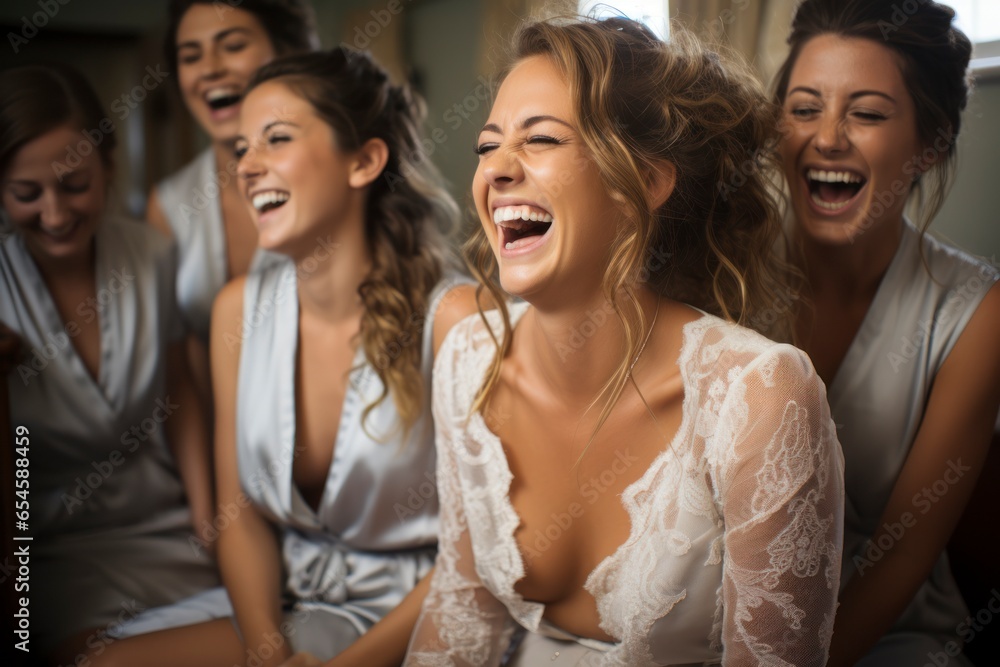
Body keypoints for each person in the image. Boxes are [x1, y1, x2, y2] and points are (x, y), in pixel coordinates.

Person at [404, 16, 844, 666]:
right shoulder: (468, 360)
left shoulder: (761, 396)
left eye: (541, 139)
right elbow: (461, 616)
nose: (495, 170)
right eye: (486, 145)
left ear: (644, 181)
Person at [89, 47, 479, 667]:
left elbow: (479, 551)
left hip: (421, 616)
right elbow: (236, 513)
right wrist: (267, 649)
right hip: (280, 607)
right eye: (242, 148)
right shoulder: (237, 312)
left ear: (365, 160)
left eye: (275, 139)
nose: (247, 166)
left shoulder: (456, 319)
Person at [772, 0, 1000, 664]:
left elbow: (900, 559)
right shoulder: (720, 274)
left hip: (887, 636)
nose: (829, 138)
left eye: (866, 113)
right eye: (804, 108)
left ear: (930, 143)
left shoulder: (977, 313)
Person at [0, 63, 217, 664]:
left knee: (261, 630)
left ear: (109, 166)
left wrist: (208, 519)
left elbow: (181, 394)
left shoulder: (150, 253)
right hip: (45, 550)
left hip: (163, 529)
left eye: (74, 184)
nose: (54, 213)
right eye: (26, 193)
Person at [148, 0, 319, 408]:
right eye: (190, 56)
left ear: (286, 53)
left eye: (233, 45)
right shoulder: (168, 206)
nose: (209, 68)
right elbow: (178, 365)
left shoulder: (331, 175)